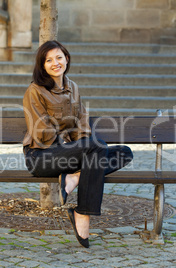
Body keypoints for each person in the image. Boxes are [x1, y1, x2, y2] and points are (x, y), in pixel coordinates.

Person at [22, 40, 133, 248]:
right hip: (41, 157)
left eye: (58, 57)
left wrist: (81, 146)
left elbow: (83, 126)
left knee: (124, 153)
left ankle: (74, 179)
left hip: (69, 157)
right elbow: (42, 132)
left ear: (67, 59)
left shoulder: (73, 87)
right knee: (97, 146)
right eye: (48, 60)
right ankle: (83, 214)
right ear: (42, 65)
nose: (55, 63)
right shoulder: (35, 91)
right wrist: (70, 139)